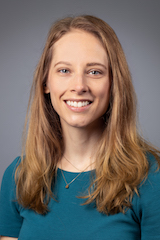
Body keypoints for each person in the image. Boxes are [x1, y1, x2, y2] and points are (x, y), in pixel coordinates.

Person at [0, 15, 160, 240]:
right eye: (64, 70)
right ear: (46, 82)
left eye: (94, 71)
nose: (79, 86)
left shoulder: (151, 177)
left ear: (114, 84)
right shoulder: (19, 176)